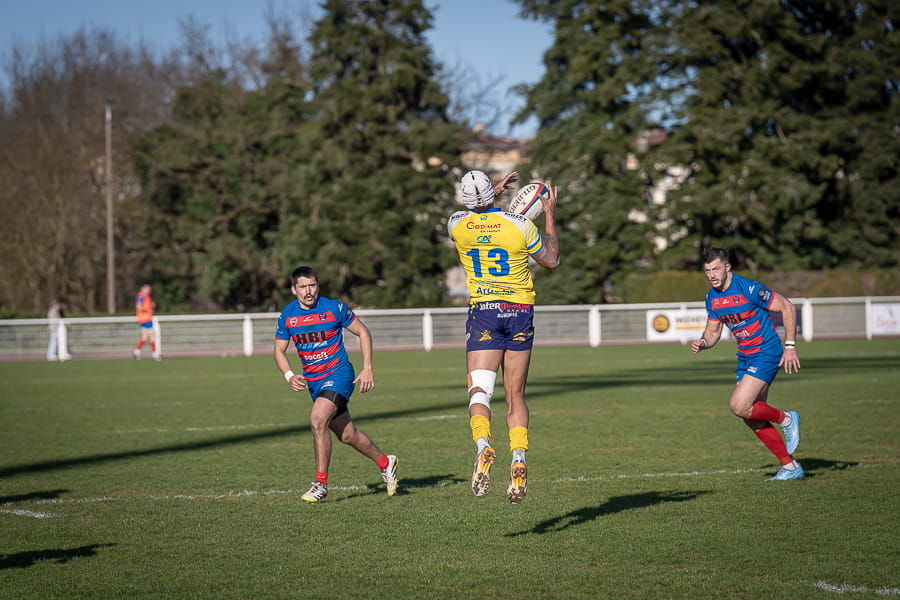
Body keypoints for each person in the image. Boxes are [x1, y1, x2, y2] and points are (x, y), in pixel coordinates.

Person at [447, 170, 560, 504]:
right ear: (492, 195)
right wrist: (550, 215)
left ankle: (484, 446)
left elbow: (471, 215)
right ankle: (519, 456)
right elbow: (551, 259)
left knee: (479, 391)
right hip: (519, 313)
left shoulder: (456, 225)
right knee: (515, 395)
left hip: (484, 312)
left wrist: (489, 195)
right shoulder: (520, 225)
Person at [273, 266, 398, 503]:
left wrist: (367, 368)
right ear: (293, 289)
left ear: (318, 286)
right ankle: (385, 462)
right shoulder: (287, 315)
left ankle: (320, 484)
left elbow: (363, 332)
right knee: (347, 435)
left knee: (317, 420)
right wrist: (289, 375)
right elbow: (279, 350)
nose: (308, 291)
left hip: (338, 374)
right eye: (303, 287)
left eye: (312, 285)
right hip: (314, 382)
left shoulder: (333, 308)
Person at [690, 247, 803, 481]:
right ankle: (790, 466)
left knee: (739, 405)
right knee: (751, 416)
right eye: (707, 271)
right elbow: (713, 332)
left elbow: (787, 307)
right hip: (745, 356)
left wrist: (790, 346)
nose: (711, 275)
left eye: (716, 269)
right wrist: (703, 342)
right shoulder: (712, 297)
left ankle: (787, 418)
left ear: (727, 267)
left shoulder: (749, 289)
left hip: (766, 351)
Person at [133, 284, 160, 361]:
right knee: (152, 335)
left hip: (144, 319)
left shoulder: (145, 296)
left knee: (145, 337)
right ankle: (154, 353)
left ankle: (137, 351)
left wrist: (151, 306)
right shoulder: (142, 296)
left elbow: (144, 306)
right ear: (143, 289)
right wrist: (148, 311)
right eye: (148, 289)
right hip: (145, 319)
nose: (149, 291)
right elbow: (138, 307)